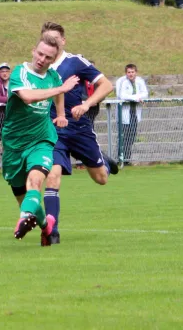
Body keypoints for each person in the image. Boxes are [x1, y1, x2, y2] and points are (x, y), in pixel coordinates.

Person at [41, 22, 118, 246]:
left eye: (55, 39)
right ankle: (52, 232)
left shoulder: (75, 62)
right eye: (47, 39)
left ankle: (103, 160)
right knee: (53, 177)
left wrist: (86, 104)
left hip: (79, 128)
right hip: (53, 130)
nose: (52, 43)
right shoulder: (39, 67)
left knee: (101, 179)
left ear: (63, 41)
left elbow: (106, 85)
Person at [2, 34, 80, 246]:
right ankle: (46, 226)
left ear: (53, 60)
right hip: (14, 145)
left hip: (41, 140)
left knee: (35, 183)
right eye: (40, 54)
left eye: (48, 57)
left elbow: (58, 93)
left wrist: (61, 114)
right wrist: (61, 89)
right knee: (28, 205)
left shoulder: (53, 77)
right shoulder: (20, 72)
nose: (42, 59)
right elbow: (27, 97)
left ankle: (25, 221)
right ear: (33, 51)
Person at [117, 64, 149, 165]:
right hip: (125, 113)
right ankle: (121, 159)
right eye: (129, 72)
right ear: (126, 73)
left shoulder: (140, 81)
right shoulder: (121, 81)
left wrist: (136, 97)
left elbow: (145, 93)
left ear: (136, 72)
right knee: (124, 138)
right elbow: (121, 95)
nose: (131, 74)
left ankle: (127, 159)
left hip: (135, 113)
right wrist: (135, 98)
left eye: (132, 72)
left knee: (131, 137)